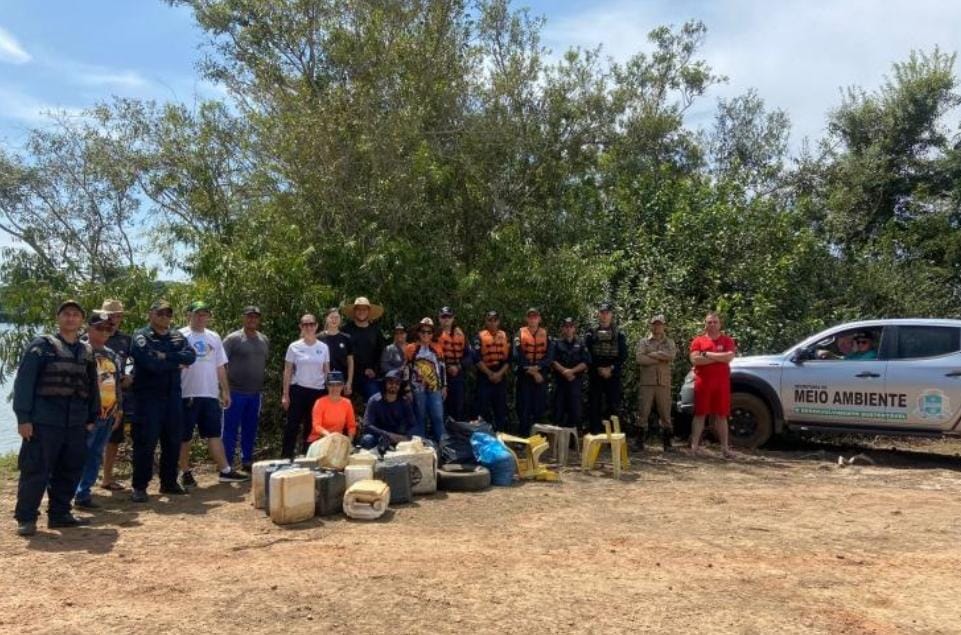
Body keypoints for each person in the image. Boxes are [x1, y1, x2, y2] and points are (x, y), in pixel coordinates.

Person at [13, 301, 99, 536]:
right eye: (66, 314)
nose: (71, 318)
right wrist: (24, 418)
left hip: (76, 423)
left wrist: (93, 416)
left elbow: (93, 387)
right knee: (36, 469)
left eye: (75, 315)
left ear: (81, 320)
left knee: (70, 469)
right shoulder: (41, 347)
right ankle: (27, 518)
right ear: (58, 318)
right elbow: (24, 383)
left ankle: (60, 513)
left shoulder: (86, 351)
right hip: (44, 421)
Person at [129, 300, 197, 503]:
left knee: (173, 440)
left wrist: (165, 356)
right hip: (148, 398)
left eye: (168, 314)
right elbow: (149, 363)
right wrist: (176, 363)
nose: (164, 317)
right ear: (151, 314)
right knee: (145, 441)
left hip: (173, 397)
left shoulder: (177, 335)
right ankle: (140, 487)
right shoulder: (141, 336)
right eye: (160, 314)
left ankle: (169, 482)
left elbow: (191, 356)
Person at [177, 301, 247, 488]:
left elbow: (220, 366)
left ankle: (225, 470)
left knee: (214, 434)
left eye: (204, 314)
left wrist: (225, 391)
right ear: (189, 315)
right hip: (187, 393)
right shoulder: (179, 335)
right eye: (197, 314)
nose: (201, 318)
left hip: (209, 393)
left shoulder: (214, 337)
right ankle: (184, 472)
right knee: (185, 436)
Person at [74, 311, 123, 509]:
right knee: (77, 454)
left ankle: (83, 494)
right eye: (99, 327)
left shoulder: (111, 354)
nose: (104, 331)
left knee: (95, 454)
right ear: (89, 327)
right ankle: (64, 494)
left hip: (108, 413)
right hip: (87, 415)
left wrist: (118, 409)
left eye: (108, 328)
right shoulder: (80, 350)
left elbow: (116, 382)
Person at [222, 306, 270, 472]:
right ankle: (226, 464)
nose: (252, 320)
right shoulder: (233, 339)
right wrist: (224, 390)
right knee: (230, 430)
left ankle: (247, 460)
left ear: (259, 319)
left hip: (255, 393)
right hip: (235, 392)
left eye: (255, 317)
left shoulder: (264, 339)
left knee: (250, 428)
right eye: (249, 317)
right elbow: (221, 364)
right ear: (243, 318)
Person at [281, 314, 330, 458]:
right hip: (298, 390)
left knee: (312, 427)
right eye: (305, 324)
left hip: (318, 391)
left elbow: (327, 371)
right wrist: (285, 395)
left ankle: (308, 457)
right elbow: (288, 371)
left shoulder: (324, 347)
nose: (308, 327)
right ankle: (286, 457)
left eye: (311, 324)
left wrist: (330, 394)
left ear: (316, 326)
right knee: (292, 425)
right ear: (301, 327)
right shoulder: (294, 346)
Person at [689, 312, 737, 457]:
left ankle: (724, 449)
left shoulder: (727, 340)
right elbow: (695, 360)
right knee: (700, 414)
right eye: (709, 322)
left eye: (715, 322)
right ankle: (694, 447)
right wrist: (718, 358)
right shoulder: (698, 341)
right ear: (705, 324)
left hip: (721, 384)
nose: (712, 325)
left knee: (722, 416)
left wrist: (707, 354)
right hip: (703, 384)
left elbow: (729, 357)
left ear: (720, 324)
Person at [100, 299, 134, 491]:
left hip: (117, 396)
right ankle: (79, 483)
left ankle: (107, 478)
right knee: (89, 439)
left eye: (118, 315)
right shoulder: (91, 336)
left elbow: (139, 360)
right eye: (111, 315)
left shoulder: (125, 340)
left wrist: (130, 377)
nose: (114, 319)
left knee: (113, 439)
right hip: (95, 396)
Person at [635, 314, 677, 452]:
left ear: (664, 326)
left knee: (665, 413)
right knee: (643, 412)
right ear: (651, 325)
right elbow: (640, 359)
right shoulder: (643, 342)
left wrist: (652, 354)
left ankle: (667, 443)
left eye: (660, 324)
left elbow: (671, 356)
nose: (657, 326)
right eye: (655, 324)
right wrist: (660, 358)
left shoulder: (669, 342)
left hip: (663, 383)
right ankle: (639, 442)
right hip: (647, 383)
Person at [584, 302, 628, 434]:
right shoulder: (591, 333)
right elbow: (587, 353)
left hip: (613, 373)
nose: (604, 315)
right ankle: (595, 434)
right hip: (595, 373)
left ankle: (614, 436)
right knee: (594, 404)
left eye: (607, 313)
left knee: (613, 405)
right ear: (598, 314)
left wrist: (611, 368)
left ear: (611, 315)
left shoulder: (619, 334)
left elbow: (623, 354)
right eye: (602, 313)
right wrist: (599, 368)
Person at [405, 318, 447, 442]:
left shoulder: (437, 348)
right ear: (418, 332)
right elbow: (406, 369)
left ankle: (442, 445)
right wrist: (407, 388)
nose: (426, 334)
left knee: (438, 416)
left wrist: (444, 386)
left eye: (429, 332)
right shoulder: (411, 348)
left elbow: (442, 368)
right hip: (417, 388)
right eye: (423, 331)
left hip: (435, 387)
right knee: (420, 417)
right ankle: (421, 445)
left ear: (433, 334)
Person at [513, 308, 553, 437]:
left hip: (541, 376)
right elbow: (517, 355)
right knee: (523, 406)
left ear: (539, 319)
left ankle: (538, 437)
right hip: (525, 375)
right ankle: (523, 436)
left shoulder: (546, 335)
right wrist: (532, 370)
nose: (533, 319)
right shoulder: (519, 334)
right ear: (526, 319)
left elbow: (550, 356)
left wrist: (538, 368)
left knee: (539, 406)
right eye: (530, 317)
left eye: (535, 317)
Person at [342, 296, 386, 402]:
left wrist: (374, 370)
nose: (361, 312)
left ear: (368, 312)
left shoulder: (375, 331)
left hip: (368, 376)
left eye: (364, 309)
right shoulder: (345, 330)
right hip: (347, 376)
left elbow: (381, 353)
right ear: (354, 311)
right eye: (359, 309)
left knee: (377, 400)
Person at [359, 369, 416, 451]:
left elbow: (412, 424)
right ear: (385, 384)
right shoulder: (374, 400)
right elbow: (367, 425)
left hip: (398, 438)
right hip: (379, 437)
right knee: (367, 439)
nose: (393, 385)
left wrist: (406, 437)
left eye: (397, 383)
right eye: (390, 382)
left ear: (400, 386)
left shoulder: (405, 402)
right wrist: (388, 435)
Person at [473, 310, 511, 431]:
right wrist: (490, 374)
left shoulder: (505, 336)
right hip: (485, 374)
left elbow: (509, 359)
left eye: (495, 320)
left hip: (500, 374)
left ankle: (500, 433)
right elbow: (476, 358)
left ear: (498, 322)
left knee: (500, 407)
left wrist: (499, 374)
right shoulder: (479, 337)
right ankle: (484, 434)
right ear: (486, 321)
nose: (492, 323)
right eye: (490, 320)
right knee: (482, 406)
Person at [551, 317, 591, 430]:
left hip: (575, 382)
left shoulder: (581, 344)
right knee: (558, 411)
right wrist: (564, 371)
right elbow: (552, 361)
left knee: (575, 412)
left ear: (574, 329)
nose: (568, 329)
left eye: (571, 327)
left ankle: (574, 442)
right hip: (560, 383)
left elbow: (586, 362)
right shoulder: (556, 344)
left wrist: (571, 371)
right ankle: (557, 442)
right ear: (562, 329)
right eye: (566, 327)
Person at [437, 306, 471, 420]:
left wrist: (458, 367)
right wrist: (447, 367)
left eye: (449, 317)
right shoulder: (434, 335)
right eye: (443, 317)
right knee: (441, 407)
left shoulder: (461, 334)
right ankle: (442, 434)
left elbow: (469, 356)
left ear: (453, 318)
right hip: (440, 376)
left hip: (458, 374)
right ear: (439, 319)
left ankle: (457, 433)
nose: (446, 319)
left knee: (458, 406)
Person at [307, 371, 357, 442]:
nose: (335, 387)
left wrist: (349, 442)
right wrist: (329, 436)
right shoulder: (320, 402)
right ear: (327, 386)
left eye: (338, 384)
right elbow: (316, 426)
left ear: (342, 386)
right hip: (318, 439)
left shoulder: (347, 403)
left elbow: (351, 426)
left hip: (337, 441)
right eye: (331, 384)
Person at [320, 309, 354, 397]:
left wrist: (349, 382)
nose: (334, 320)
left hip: (341, 382)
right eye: (331, 317)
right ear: (326, 319)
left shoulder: (346, 338)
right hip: (322, 382)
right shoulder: (319, 338)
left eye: (337, 317)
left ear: (340, 319)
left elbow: (350, 361)